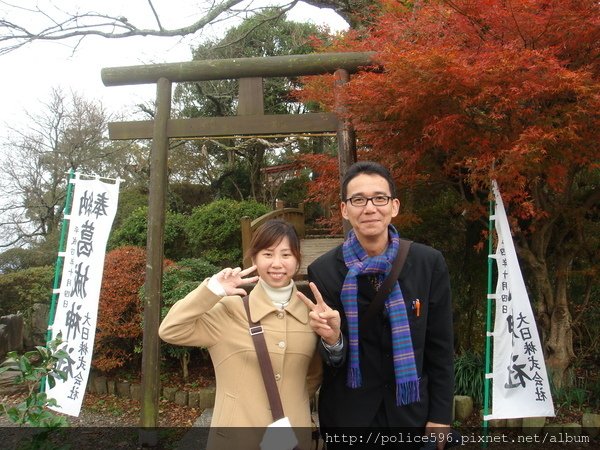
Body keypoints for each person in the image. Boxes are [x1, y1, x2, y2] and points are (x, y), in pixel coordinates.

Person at [298, 161, 454, 450]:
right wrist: (333, 340)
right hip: (349, 417)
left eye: (379, 198)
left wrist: (441, 416)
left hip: (411, 415)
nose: (369, 208)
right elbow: (332, 362)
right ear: (345, 209)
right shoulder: (324, 271)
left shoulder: (427, 263)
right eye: (358, 199)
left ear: (394, 206)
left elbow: (440, 347)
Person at [159, 219, 322, 450]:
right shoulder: (230, 310)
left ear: (297, 261)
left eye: (286, 255)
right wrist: (212, 291)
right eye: (268, 254)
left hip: (292, 440)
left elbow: (312, 376)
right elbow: (170, 329)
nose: (277, 263)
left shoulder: (311, 315)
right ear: (254, 258)